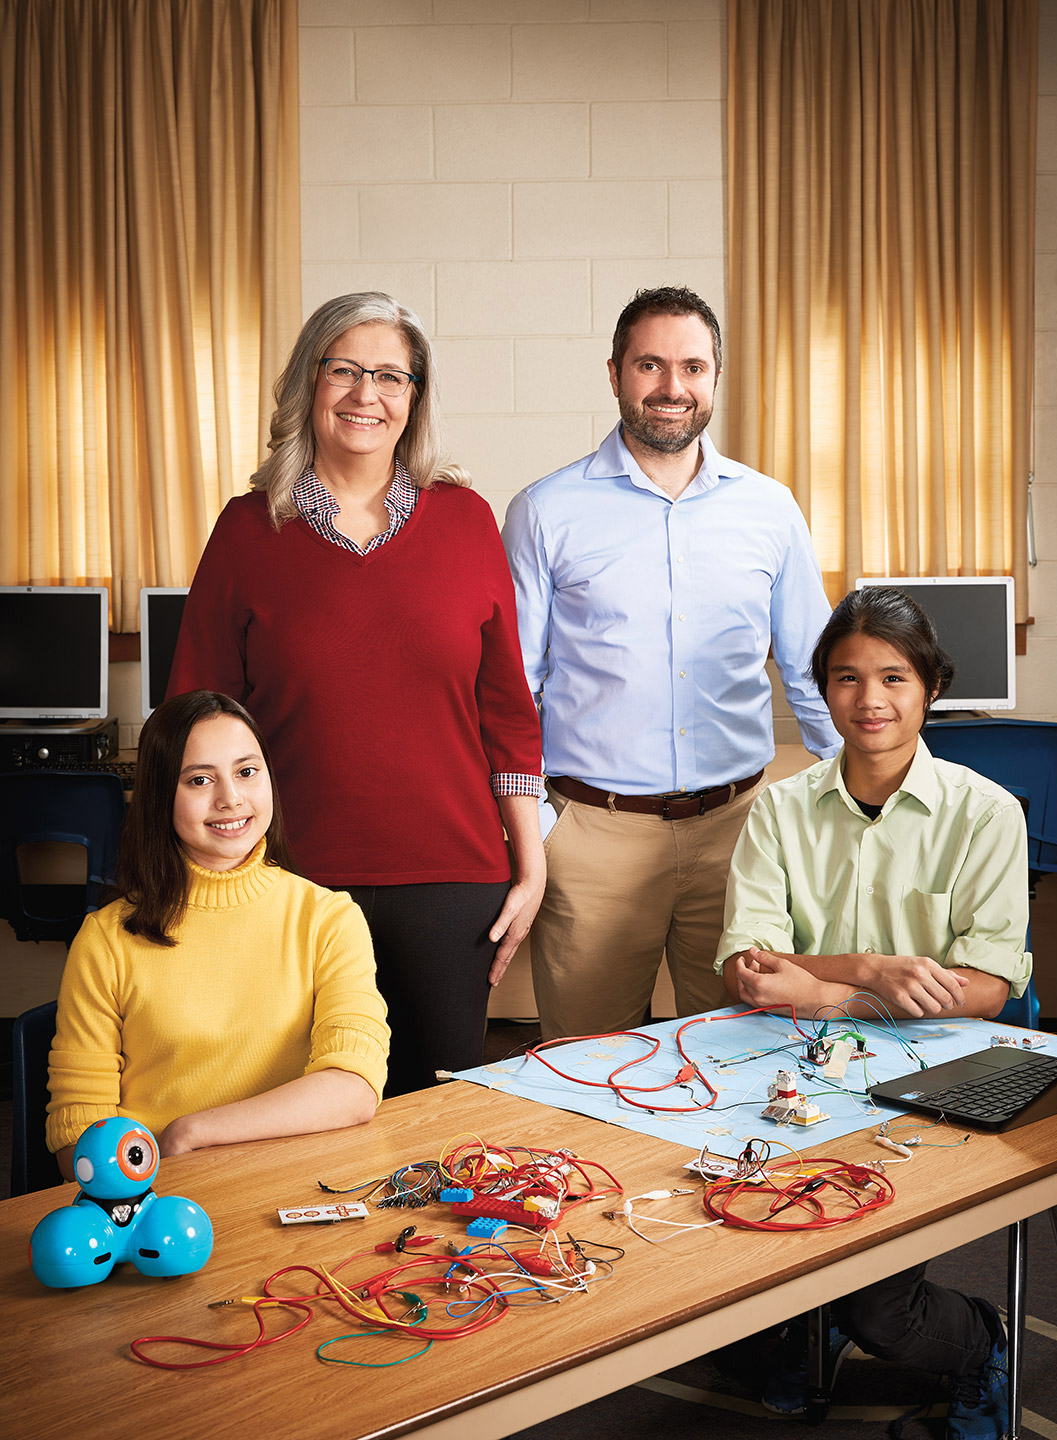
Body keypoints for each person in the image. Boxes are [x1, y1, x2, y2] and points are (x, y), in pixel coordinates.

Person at [168, 293, 544, 1095]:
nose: (365, 394)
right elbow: (194, 717)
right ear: (310, 382)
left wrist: (531, 863)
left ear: (415, 398)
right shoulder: (246, 531)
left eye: (390, 377)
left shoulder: (467, 520)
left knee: (437, 1104)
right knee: (305, 1104)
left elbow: (508, 713)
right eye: (344, 370)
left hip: (452, 881)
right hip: (291, 875)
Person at [717, 587, 1030, 1434]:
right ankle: (798, 1324)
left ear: (930, 686)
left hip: (943, 1073)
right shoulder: (781, 809)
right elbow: (752, 972)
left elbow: (986, 990)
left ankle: (980, 1345)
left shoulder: (987, 812)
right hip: (794, 1067)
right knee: (707, 1254)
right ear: (823, 690)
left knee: (880, 1312)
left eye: (894, 677)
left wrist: (813, 987)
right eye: (847, 678)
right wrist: (866, 972)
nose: (870, 700)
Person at [502, 285, 839, 1040]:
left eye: (691, 366)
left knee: (742, 1054)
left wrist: (864, 801)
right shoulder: (545, 511)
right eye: (650, 365)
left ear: (715, 377)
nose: (671, 388)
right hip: (593, 834)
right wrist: (528, 836)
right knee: (587, 1065)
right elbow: (512, 689)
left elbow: (814, 671)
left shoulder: (769, 508)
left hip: (740, 835)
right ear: (616, 372)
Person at [46, 691, 391, 1180]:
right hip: (156, 1200)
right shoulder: (106, 939)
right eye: (199, 780)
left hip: (294, 1185)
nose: (230, 797)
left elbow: (353, 1086)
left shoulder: (329, 918)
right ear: (161, 795)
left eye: (247, 772)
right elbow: (77, 1137)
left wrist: (194, 1132)